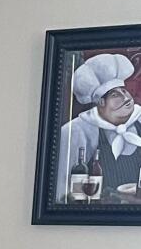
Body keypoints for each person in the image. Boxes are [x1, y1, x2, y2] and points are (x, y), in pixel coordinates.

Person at [56, 52, 141, 199]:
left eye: (124, 90)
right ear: (101, 102)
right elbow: (61, 191)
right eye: (115, 95)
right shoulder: (77, 131)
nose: (126, 97)